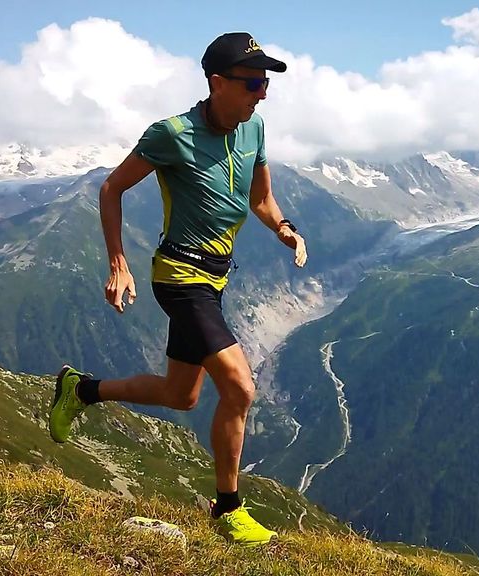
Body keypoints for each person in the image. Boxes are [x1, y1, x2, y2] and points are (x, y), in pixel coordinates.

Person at [49, 32, 307, 546]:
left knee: (181, 395)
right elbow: (112, 187)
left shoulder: (254, 128)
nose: (263, 93)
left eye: (266, 82)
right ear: (217, 82)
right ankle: (228, 509)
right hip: (179, 276)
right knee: (239, 386)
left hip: (214, 279)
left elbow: (262, 201)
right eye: (253, 82)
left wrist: (284, 230)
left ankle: (79, 390)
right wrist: (118, 262)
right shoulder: (172, 134)